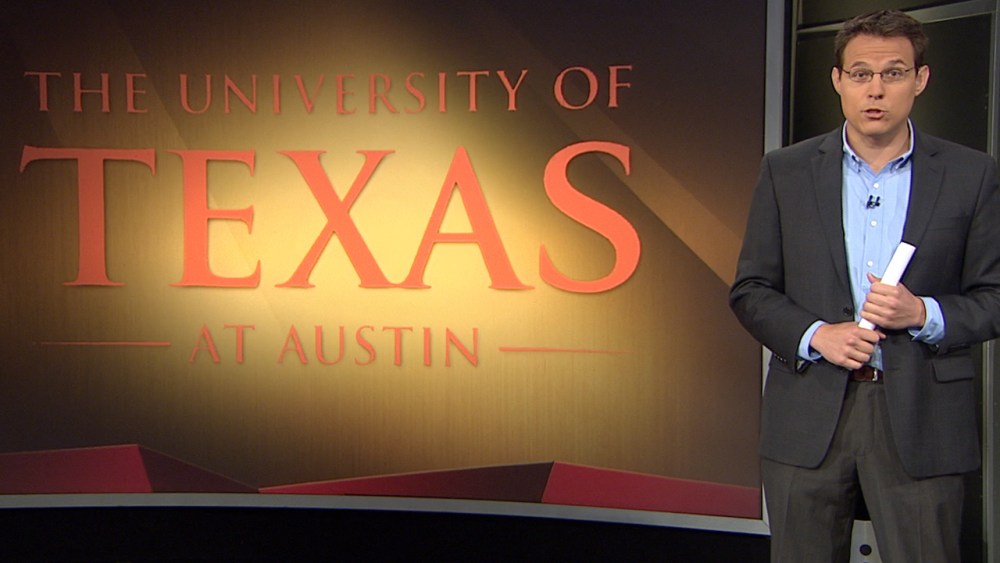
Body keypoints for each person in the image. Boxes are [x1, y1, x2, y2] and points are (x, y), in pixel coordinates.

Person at [729, 9, 1000, 562]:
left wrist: (923, 313)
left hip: (922, 417)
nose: (875, 89)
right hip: (809, 412)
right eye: (860, 74)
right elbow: (751, 289)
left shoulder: (971, 174)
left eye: (893, 73)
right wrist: (817, 334)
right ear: (838, 80)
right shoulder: (786, 171)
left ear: (920, 80)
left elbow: (993, 296)